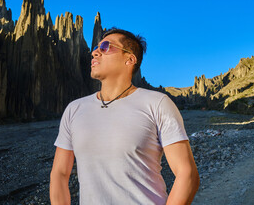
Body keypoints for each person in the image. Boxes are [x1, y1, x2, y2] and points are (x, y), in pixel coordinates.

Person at [50, 28, 200, 205]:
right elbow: (59, 173)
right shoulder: (74, 109)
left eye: (106, 46)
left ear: (130, 59)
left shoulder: (158, 103)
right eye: (96, 47)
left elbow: (187, 174)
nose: (95, 52)